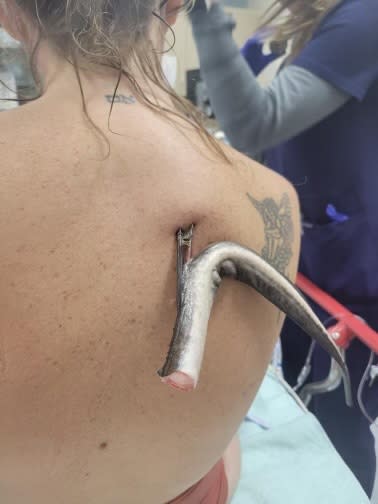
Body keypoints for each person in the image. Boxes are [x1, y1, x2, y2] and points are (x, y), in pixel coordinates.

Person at [0, 0, 302, 503]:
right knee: (223, 450)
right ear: (174, 5)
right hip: (186, 488)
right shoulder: (273, 202)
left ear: (9, 12)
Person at [189, 0, 378, 494]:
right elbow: (237, 115)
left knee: (340, 420)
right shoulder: (293, 23)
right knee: (304, 393)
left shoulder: (363, 16)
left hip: (352, 272)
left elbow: (257, 121)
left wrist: (204, 16)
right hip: (309, 250)